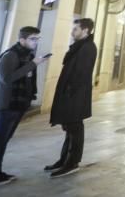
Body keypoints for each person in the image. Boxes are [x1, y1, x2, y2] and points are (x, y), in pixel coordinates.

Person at [0, 26, 47, 187]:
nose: (36, 42)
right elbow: (6, 79)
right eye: (33, 39)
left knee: (4, 141)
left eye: (37, 39)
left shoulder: (26, 56)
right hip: (7, 105)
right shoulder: (10, 56)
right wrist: (33, 64)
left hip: (18, 105)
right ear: (22, 39)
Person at [46, 18, 97, 178]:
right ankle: (64, 160)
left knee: (75, 129)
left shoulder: (87, 48)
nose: (72, 32)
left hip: (75, 96)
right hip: (71, 94)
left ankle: (72, 162)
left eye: (76, 29)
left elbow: (81, 74)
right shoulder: (79, 47)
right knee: (70, 129)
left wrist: (70, 92)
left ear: (85, 31)